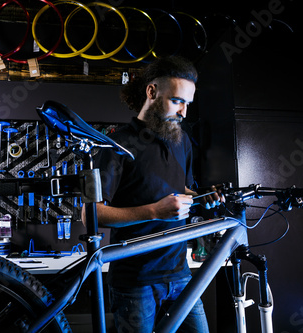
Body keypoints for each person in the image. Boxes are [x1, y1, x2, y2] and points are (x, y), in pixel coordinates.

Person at [93, 56, 223, 333]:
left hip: (179, 273)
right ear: (152, 92)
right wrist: (154, 211)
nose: (184, 113)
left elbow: (183, 189)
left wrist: (201, 197)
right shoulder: (117, 145)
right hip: (135, 280)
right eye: (177, 101)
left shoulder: (182, 141)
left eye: (187, 104)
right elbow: (91, 214)